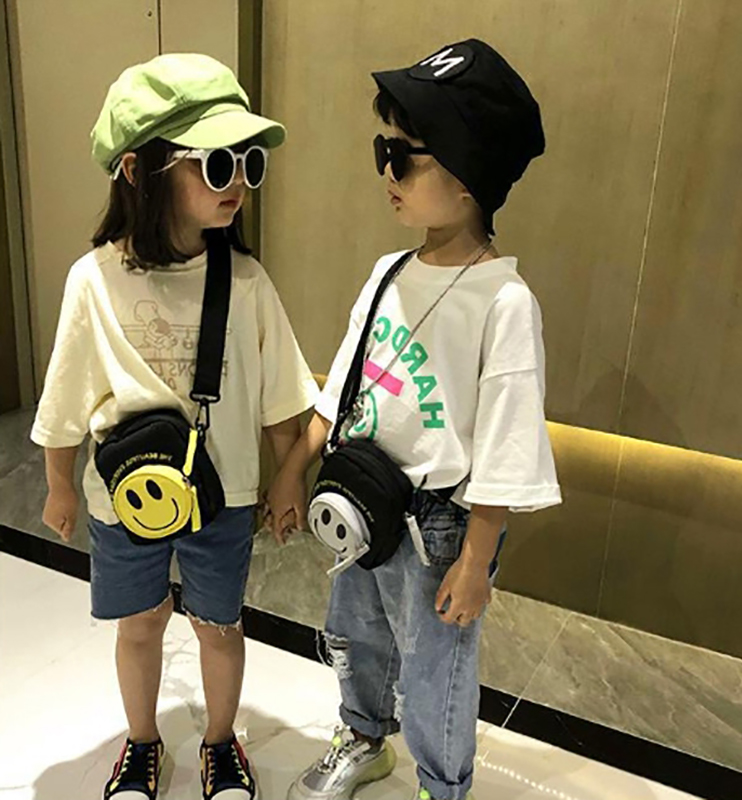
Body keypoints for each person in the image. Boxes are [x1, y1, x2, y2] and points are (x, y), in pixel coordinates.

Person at [268, 39, 562, 800]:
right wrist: (294, 468)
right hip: (362, 499)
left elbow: (506, 448)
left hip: (440, 527)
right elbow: (342, 389)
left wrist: (476, 562)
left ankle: (442, 783)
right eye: (383, 151)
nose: (386, 173)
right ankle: (365, 738)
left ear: (468, 177)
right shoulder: (388, 273)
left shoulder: (503, 303)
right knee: (357, 638)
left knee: (437, 670)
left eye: (402, 157)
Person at [31, 53, 319, 800]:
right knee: (138, 623)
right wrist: (60, 485)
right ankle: (142, 742)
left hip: (224, 497)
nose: (238, 183)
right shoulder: (93, 280)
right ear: (138, 170)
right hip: (124, 500)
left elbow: (281, 399)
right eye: (216, 163)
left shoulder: (246, 282)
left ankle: (221, 742)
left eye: (248, 163)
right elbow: (65, 400)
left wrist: (288, 477)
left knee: (219, 625)